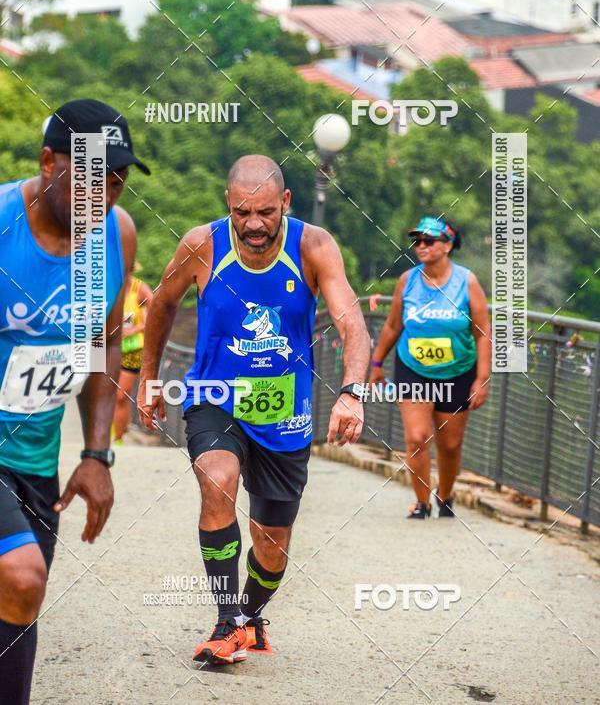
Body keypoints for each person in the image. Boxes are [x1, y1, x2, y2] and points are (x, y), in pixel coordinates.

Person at [138, 155, 370, 665]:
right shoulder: (202, 244)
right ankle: (226, 622)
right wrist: (150, 376)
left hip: (285, 411)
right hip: (215, 397)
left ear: (285, 202)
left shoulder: (313, 247)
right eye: (243, 213)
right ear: (228, 203)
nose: (254, 225)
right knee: (216, 478)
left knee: (272, 547)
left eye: (265, 212)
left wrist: (353, 392)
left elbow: (353, 324)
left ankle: (250, 614)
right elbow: (162, 303)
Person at [0, 99, 147, 704]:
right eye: (89, 176)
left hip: (36, 460)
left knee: (19, 606)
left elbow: (103, 342)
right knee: (23, 576)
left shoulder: (116, 235)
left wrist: (96, 453)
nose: (104, 194)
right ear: (47, 162)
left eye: (116, 179)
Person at [369, 216, 490, 519]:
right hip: (414, 368)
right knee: (416, 437)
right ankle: (421, 502)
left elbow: (483, 332)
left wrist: (483, 378)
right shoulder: (407, 281)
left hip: (458, 370)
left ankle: (445, 495)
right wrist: (375, 363)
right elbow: (394, 325)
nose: (421, 246)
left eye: (429, 240)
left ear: (448, 245)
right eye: (417, 240)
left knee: (450, 444)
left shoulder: (467, 281)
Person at [114, 269, 154, 442]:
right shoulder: (103, 286)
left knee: (121, 396)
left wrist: (137, 328)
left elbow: (158, 313)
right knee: (102, 395)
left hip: (131, 350)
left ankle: (118, 439)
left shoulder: (139, 289)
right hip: (105, 349)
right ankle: (100, 436)